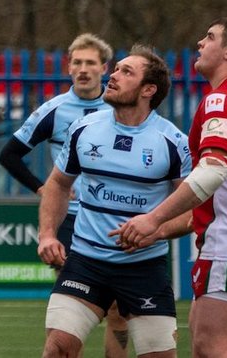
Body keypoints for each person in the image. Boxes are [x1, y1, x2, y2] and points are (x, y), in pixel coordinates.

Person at [115, 17, 227, 358]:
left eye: (210, 37)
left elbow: (212, 172)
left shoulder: (223, 100)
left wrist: (153, 220)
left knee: (213, 344)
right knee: (202, 344)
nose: (200, 42)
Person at [36, 46, 191, 358]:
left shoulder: (173, 143)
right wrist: (48, 234)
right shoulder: (85, 128)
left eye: (126, 72)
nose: (113, 75)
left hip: (144, 269)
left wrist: (156, 230)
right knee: (57, 350)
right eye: (116, 68)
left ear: (149, 90)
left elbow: (195, 210)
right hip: (85, 263)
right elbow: (57, 183)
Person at [0, 32, 129, 358]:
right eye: (77, 62)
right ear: (69, 68)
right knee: (71, 311)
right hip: (70, 221)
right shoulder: (55, 110)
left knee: (117, 309)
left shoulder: (121, 109)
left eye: (90, 63)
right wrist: (43, 188)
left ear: (104, 68)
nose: (83, 69)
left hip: (115, 219)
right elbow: (9, 154)